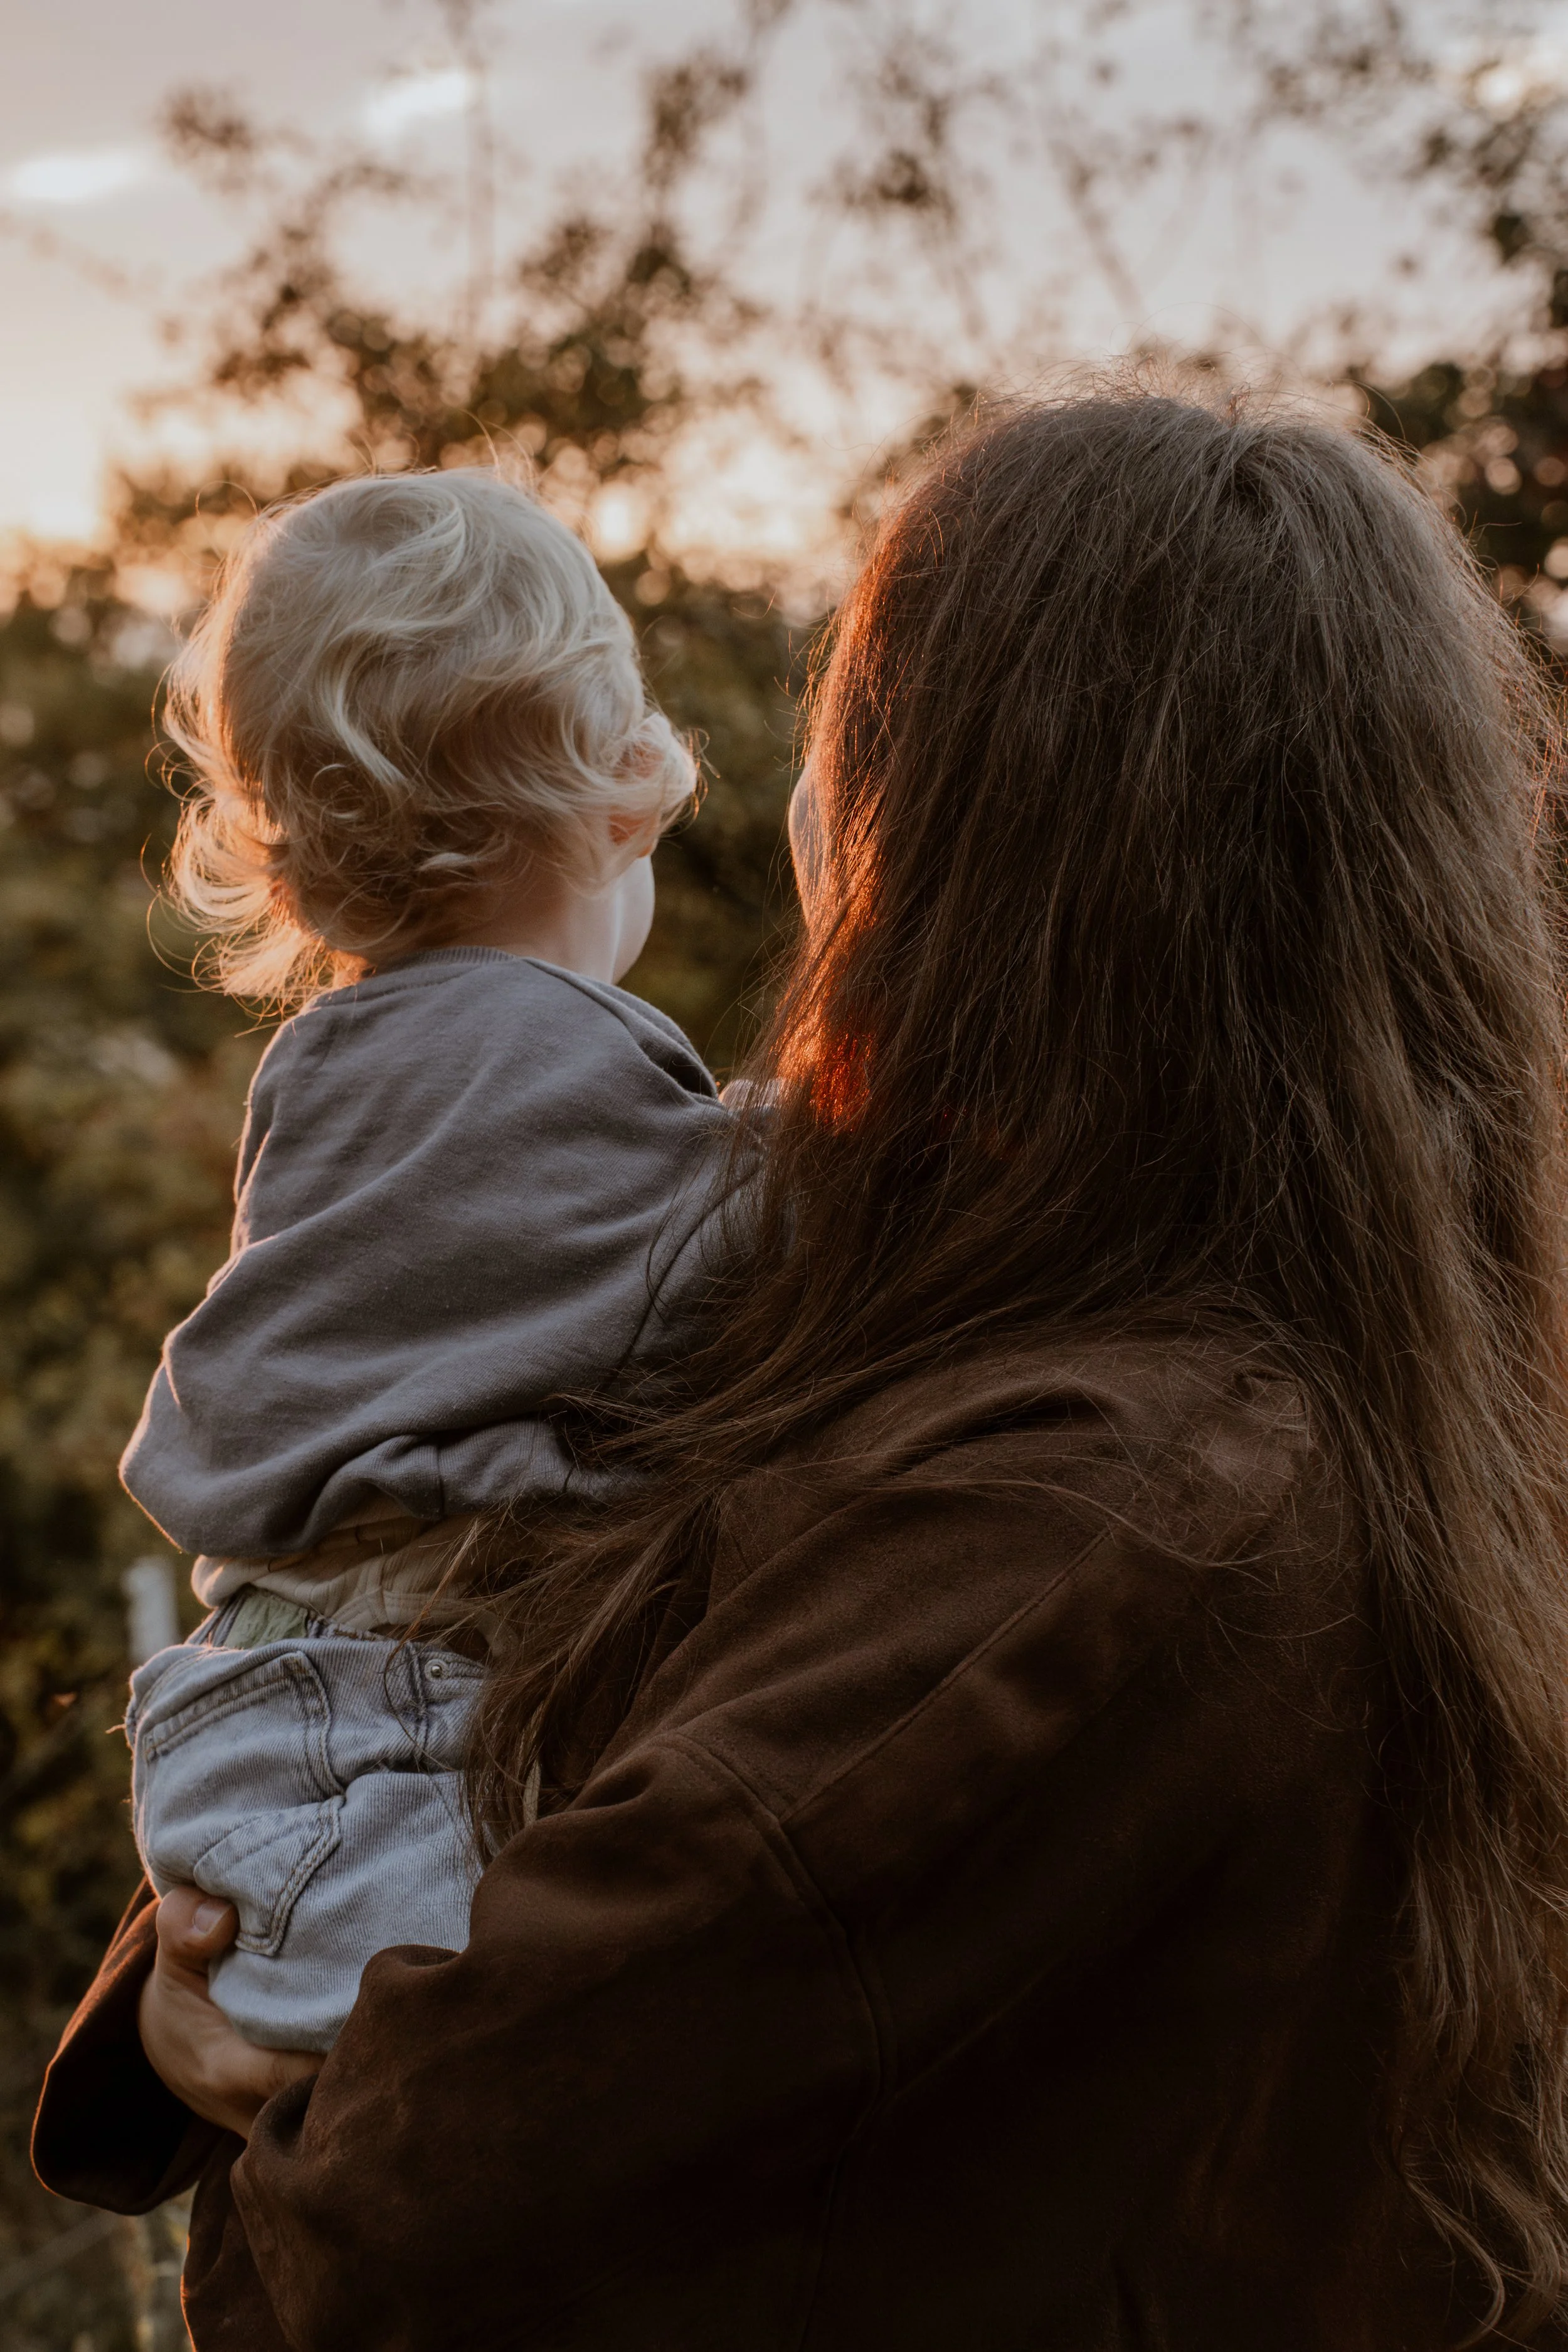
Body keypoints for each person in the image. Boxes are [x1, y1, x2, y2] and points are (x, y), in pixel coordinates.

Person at [34, 390, 1568, 2349]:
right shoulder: (1103, 1356)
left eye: (851, 741)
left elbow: (390, 2216)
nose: (778, 808)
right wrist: (166, 2009)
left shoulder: (1082, 1510)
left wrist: (243, 2068)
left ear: (981, 856)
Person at [114, 467, 732, 2052]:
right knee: (506, 2083)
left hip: (252, 1706)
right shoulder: (551, 1035)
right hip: (385, 1724)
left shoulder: (327, 1063)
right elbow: (731, 1236)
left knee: (326, 2106)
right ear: (617, 798)